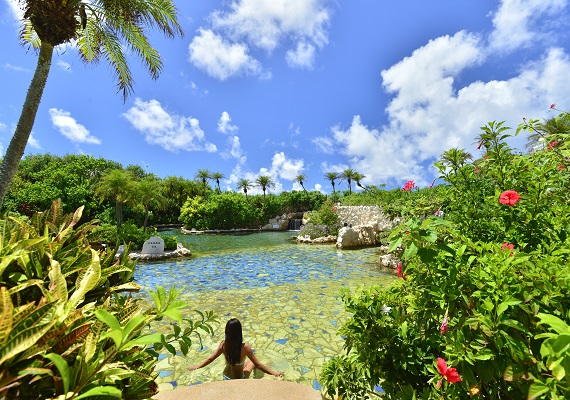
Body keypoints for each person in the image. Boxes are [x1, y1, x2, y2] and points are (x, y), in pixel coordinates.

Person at [187, 318, 285, 380]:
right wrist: (273, 373)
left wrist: (197, 366)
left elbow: (210, 359)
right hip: (238, 380)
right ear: (239, 332)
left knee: (246, 363)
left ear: (227, 331)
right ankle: (259, 374)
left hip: (225, 376)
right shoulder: (245, 347)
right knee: (253, 363)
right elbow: (258, 365)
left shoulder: (223, 345)